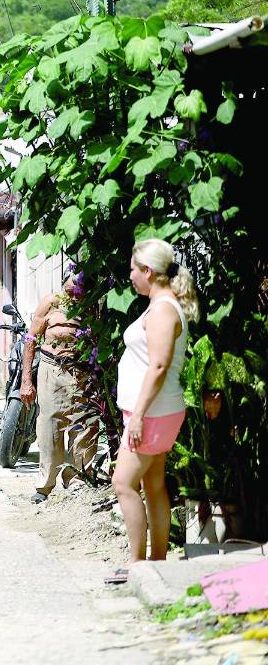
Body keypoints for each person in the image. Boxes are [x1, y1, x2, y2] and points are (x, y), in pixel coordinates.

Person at [106, 239, 197, 585]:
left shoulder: (161, 310)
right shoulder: (161, 305)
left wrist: (139, 416)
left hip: (153, 414)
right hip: (158, 411)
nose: (129, 276)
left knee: (123, 482)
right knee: (153, 484)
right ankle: (157, 562)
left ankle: (137, 563)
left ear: (147, 271)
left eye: (133, 269)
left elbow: (158, 366)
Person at [20, 271, 98, 504]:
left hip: (81, 370)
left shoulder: (90, 306)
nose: (73, 297)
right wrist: (26, 380)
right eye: (70, 292)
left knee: (84, 423)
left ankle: (78, 479)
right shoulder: (51, 303)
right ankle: (45, 485)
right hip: (51, 369)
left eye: (78, 293)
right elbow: (31, 339)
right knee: (50, 424)